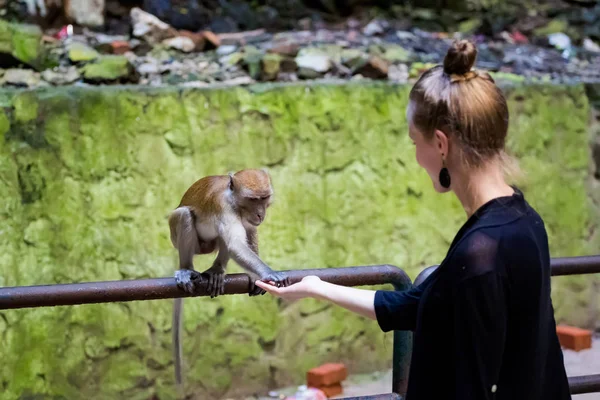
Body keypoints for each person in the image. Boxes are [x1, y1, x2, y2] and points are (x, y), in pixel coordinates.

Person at [255, 39, 572, 400]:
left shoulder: (481, 254)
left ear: (440, 144)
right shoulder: (522, 219)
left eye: (414, 142)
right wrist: (316, 287)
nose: (416, 156)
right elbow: (420, 306)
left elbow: (467, 386)